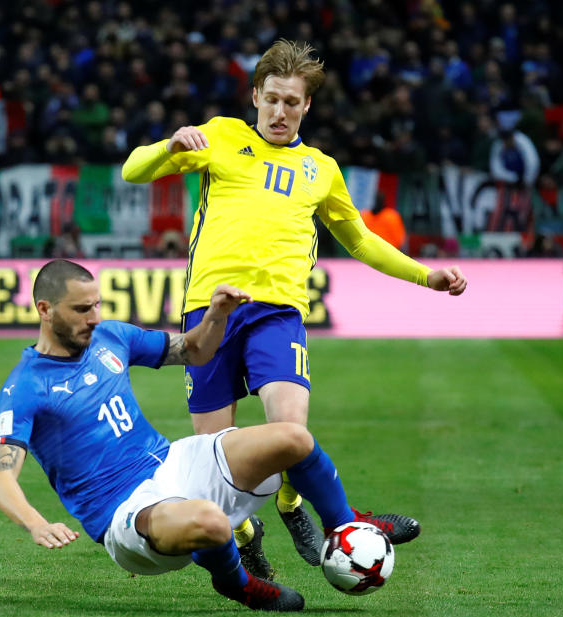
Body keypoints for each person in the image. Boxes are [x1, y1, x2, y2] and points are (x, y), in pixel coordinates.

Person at [121, 39, 466, 577]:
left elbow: (361, 240)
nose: (280, 112)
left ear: (307, 107)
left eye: (292, 103)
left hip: (277, 313)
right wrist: (169, 145)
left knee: (290, 431)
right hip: (207, 314)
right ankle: (244, 533)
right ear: (255, 95)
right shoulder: (220, 136)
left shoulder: (320, 169)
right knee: (215, 454)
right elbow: (133, 171)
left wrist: (426, 275)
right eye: (272, 99)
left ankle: (309, 510)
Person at [0, 260, 420, 612]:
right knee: (211, 521)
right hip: (125, 511)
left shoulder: (111, 338)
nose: (94, 318)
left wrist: (216, 315)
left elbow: (193, 350)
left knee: (293, 438)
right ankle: (242, 586)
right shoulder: (25, 387)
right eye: (82, 310)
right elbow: (0, 478)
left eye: (97, 305)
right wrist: (36, 523)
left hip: (171, 462)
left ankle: (342, 525)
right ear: (44, 310)